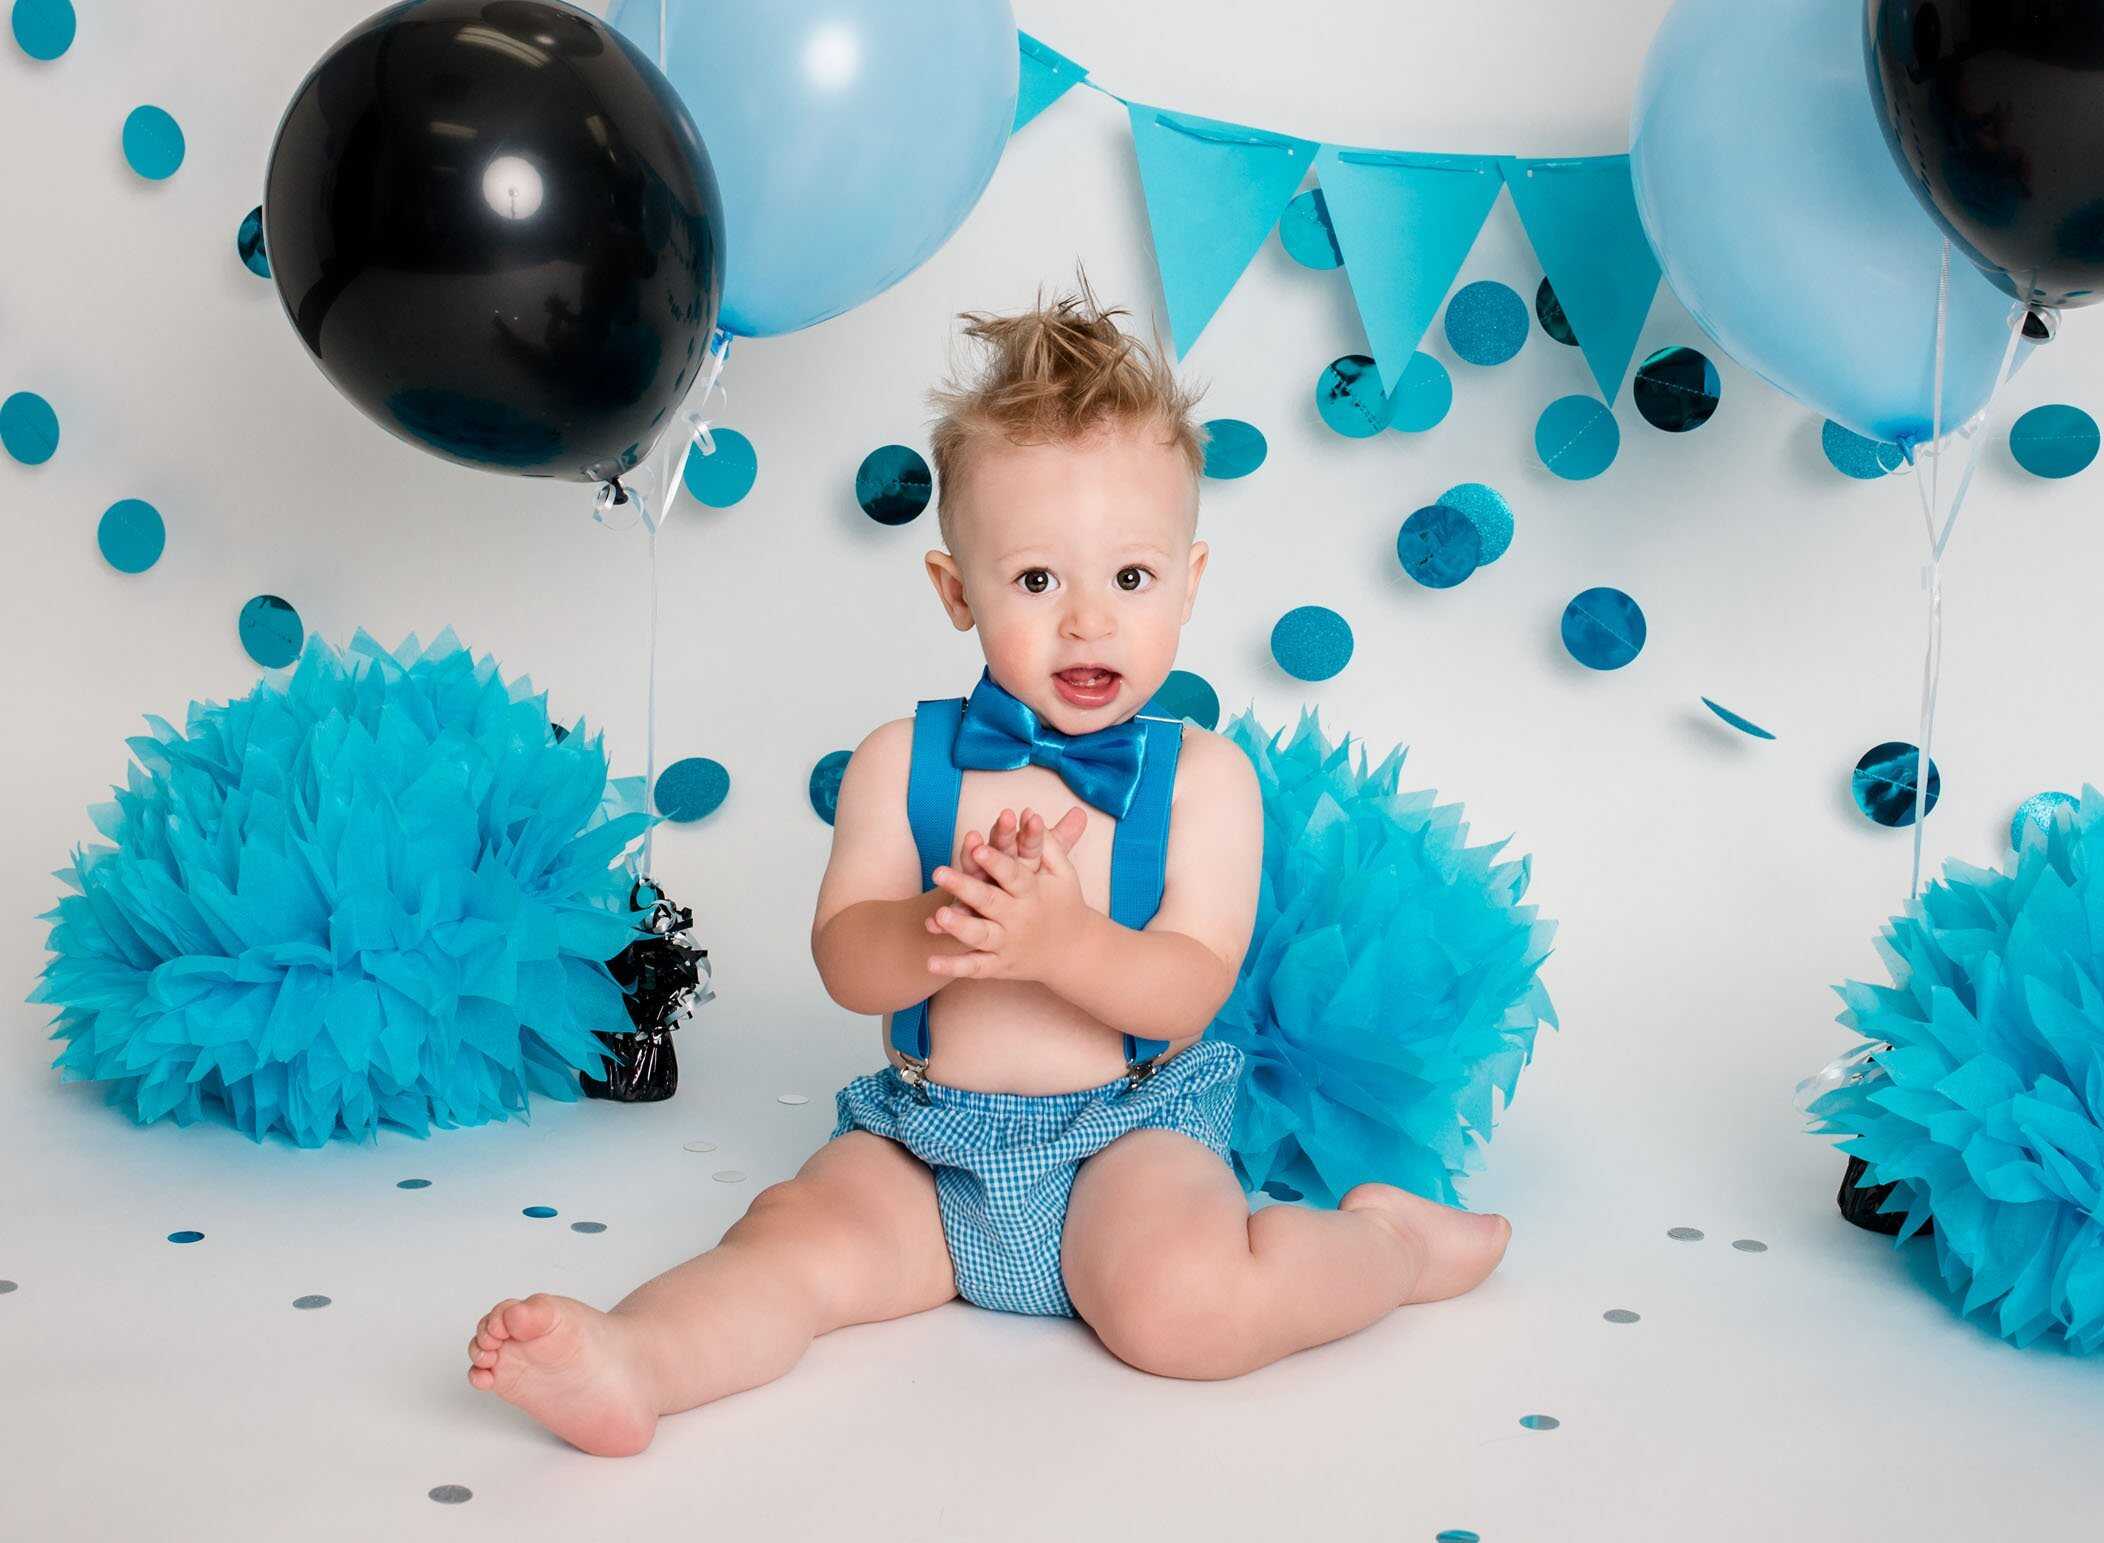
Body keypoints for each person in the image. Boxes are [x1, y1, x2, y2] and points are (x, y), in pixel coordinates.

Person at [464, 264, 1511, 1455]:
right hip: (927, 1142)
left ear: (1190, 582)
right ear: (955, 591)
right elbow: (846, 962)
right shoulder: (903, 761)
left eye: (1129, 577)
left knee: (1185, 1312)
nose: (1086, 619)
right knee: (790, 1241)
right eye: (1033, 579)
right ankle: (636, 1359)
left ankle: (1387, 1244)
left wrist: (1063, 942)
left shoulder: (1204, 780)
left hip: (1131, 1135)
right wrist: (929, 933)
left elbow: (1187, 990)